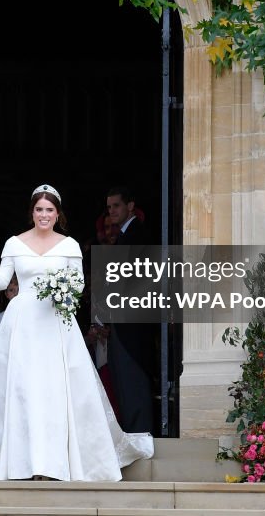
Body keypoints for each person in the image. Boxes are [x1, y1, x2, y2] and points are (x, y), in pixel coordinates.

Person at [0, 184, 154, 481]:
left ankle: (53, 463)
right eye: (38, 209)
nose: (43, 215)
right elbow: (2, 280)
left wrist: (64, 293)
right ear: (31, 212)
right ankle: (20, 462)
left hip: (56, 322)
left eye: (49, 210)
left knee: (55, 391)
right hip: (22, 323)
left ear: (57, 214)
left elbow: (80, 285)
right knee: (21, 390)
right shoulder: (15, 243)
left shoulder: (69, 245)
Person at [103, 186, 155, 435]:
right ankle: (132, 430)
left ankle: (139, 431)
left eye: (116, 206)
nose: (112, 211)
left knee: (132, 374)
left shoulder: (138, 233)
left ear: (130, 206)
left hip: (133, 320)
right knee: (122, 376)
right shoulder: (125, 234)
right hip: (123, 319)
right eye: (109, 207)